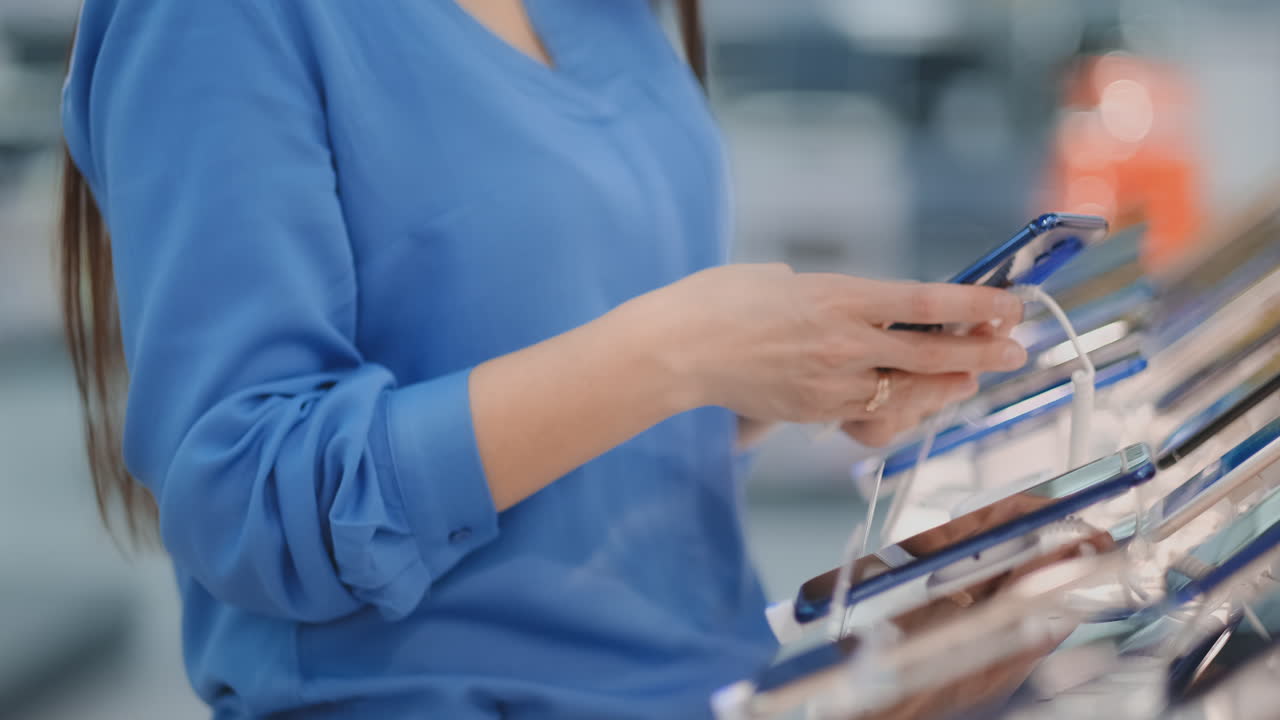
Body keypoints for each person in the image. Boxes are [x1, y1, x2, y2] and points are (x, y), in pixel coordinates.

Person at [58, 1, 1027, 717]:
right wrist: (682, 350)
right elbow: (248, 496)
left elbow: (546, 351)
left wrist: (788, 372)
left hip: (719, 684)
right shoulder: (215, 21)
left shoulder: (610, 15)